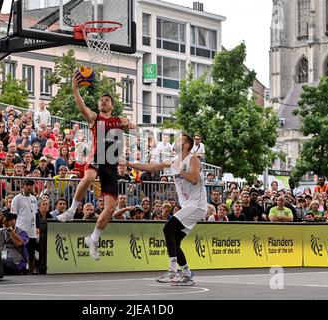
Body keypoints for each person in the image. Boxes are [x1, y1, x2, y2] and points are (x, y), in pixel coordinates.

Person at [55, 72, 136, 261]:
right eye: (101, 100)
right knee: (89, 177)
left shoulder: (120, 120)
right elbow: (82, 106)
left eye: (106, 100)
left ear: (112, 105)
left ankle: (94, 238)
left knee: (110, 208)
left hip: (111, 163)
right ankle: (71, 210)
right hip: (97, 156)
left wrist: (132, 126)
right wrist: (75, 89)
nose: (103, 102)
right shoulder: (94, 118)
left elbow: (133, 125)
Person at [127, 133, 207, 286]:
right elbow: (150, 167)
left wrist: (178, 169)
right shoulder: (173, 161)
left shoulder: (192, 159)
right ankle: (187, 274)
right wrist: (129, 164)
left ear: (185, 145)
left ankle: (173, 271)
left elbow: (195, 179)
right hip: (189, 206)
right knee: (175, 241)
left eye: (179, 139)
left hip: (196, 205)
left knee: (168, 228)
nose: (175, 140)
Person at [11, 179, 38, 274]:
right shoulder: (17, 198)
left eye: (31, 185)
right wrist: (14, 230)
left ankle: (31, 270)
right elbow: (13, 215)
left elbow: (35, 214)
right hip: (21, 229)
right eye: (27, 185)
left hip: (32, 230)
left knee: (32, 252)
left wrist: (37, 227)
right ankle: (20, 269)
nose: (29, 187)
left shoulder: (34, 199)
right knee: (21, 250)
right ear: (23, 186)